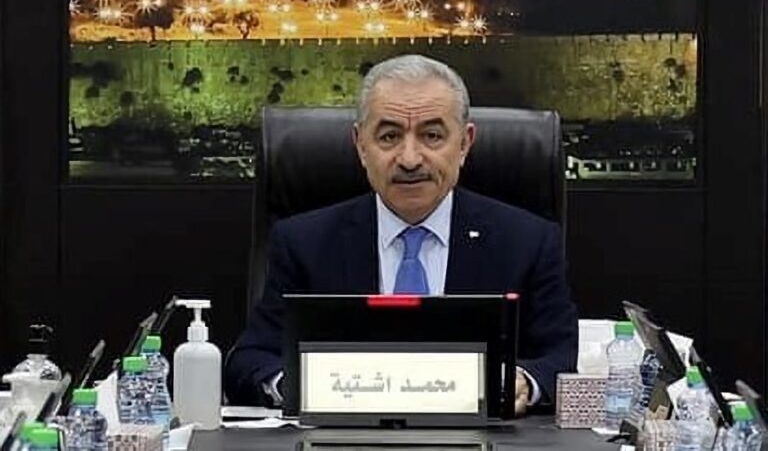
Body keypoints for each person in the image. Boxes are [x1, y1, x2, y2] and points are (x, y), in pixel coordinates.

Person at [225, 54, 578, 415]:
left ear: (464, 143)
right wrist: (300, 386)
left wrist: (523, 383)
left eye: (432, 136)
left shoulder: (527, 241)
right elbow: (249, 361)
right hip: (344, 436)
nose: (410, 159)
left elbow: (561, 360)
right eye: (390, 136)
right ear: (361, 145)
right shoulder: (304, 243)